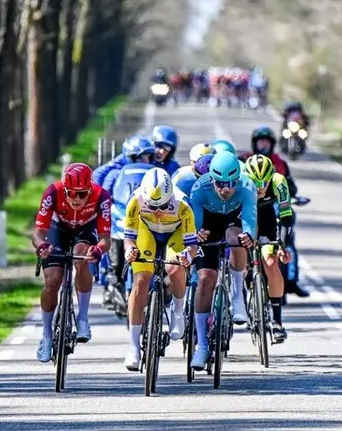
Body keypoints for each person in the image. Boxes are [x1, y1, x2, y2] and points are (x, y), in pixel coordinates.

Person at [122, 168, 199, 370]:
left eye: (163, 206)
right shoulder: (135, 201)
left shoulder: (183, 205)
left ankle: (178, 311)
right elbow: (129, 239)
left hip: (175, 233)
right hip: (146, 232)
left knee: (175, 269)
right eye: (152, 205)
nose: (157, 211)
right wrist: (130, 251)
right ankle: (133, 347)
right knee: (140, 282)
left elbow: (192, 245)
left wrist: (187, 257)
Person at [33, 163, 111, 362]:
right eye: (72, 193)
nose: (77, 199)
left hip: (85, 230)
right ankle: (47, 335)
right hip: (57, 229)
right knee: (53, 281)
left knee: (82, 257)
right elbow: (39, 232)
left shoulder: (101, 196)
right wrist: (42, 246)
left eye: (83, 194)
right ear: (64, 188)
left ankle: (83, 318)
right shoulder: (52, 192)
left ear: (90, 189)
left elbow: (105, 238)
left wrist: (98, 249)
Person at [186, 152, 257, 370]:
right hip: (209, 222)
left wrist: (249, 235)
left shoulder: (247, 186)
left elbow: (249, 218)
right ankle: (202, 346)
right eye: (219, 183)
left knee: (235, 238)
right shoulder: (200, 188)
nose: (225, 189)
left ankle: (237, 298)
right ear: (211, 179)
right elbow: (195, 223)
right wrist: (197, 235)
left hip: (233, 220)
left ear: (238, 179)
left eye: (230, 183)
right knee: (206, 279)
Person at [240, 126, 309, 298]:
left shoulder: (279, 162)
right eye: (260, 142)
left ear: (271, 144)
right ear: (254, 144)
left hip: (276, 206)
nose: (263, 145)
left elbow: (291, 185)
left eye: (266, 142)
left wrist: (291, 195)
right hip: (250, 210)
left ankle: (291, 280)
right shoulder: (243, 160)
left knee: (288, 240)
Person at [241, 154, 294, 343]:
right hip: (245, 218)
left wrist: (282, 245)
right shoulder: (241, 183)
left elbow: (286, 215)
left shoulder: (279, 181)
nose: (260, 187)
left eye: (265, 182)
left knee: (271, 263)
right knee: (239, 263)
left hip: (267, 219)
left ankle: (277, 322)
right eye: (256, 183)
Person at [102, 138, 158, 305]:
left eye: (147, 157)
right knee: (113, 257)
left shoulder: (156, 173)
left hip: (148, 219)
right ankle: (111, 282)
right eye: (139, 157)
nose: (144, 161)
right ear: (129, 157)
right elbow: (104, 196)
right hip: (121, 218)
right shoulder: (115, 173)